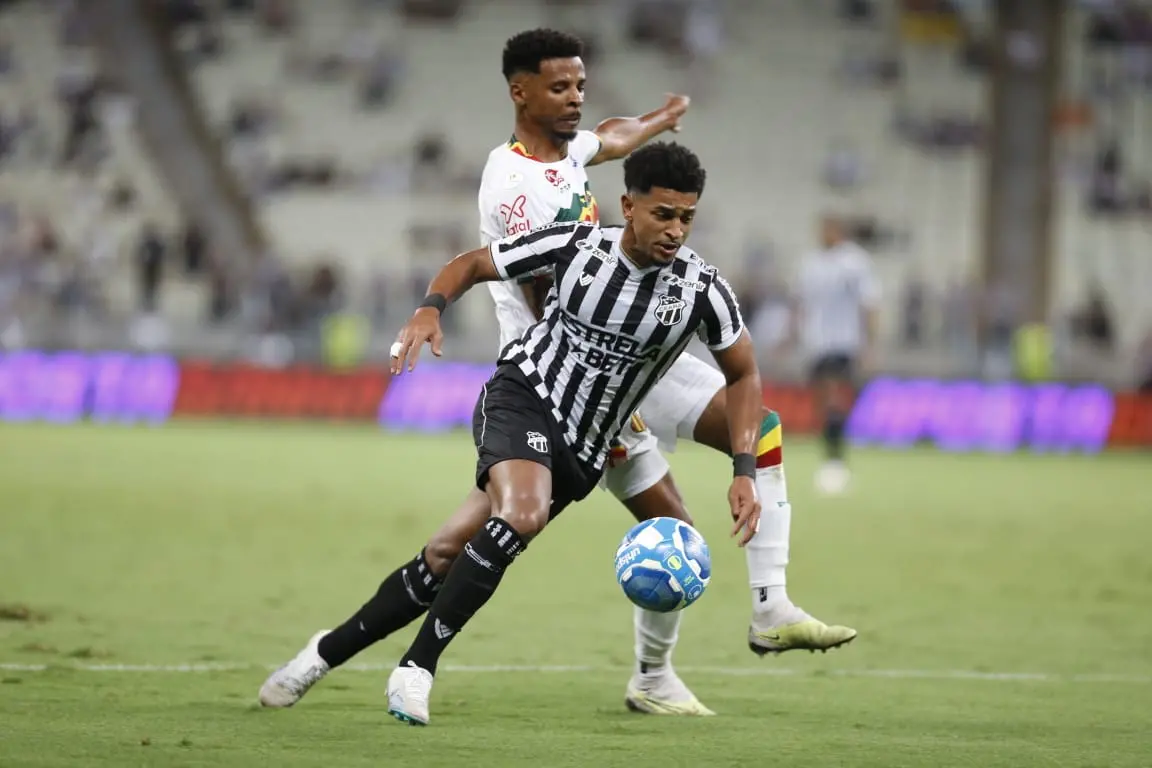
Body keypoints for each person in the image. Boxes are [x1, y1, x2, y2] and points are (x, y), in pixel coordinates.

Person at [259, 29, 852, 718]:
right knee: (508, 528)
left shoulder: (570, 159)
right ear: (521, 93)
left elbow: (611, 138)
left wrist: (658, 121)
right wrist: (441, 312)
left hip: (619, 369)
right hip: (559, 371)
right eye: (561, 87)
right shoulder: (517, 188)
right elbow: (550, 298)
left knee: (696, 501)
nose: (576, 99)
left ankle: (713, 639)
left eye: (580, 86)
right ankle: (397, 663)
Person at [381, 142, 761, 726]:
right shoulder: (577, 246)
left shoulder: (703, 290)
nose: (675, 230)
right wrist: (431, 307)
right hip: (527, 396)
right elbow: (474, 263)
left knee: (465, 544)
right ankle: (415, 668)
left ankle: (653, 676)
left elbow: (744, 374)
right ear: (628, 206)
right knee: (520, 516)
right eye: (663, 214)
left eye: (686, 217)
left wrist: (743, 471)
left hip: (593, 442)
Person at [788, 213, 880, 494]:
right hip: (816, 343)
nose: (822, 234)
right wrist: (793, 336)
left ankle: (835, 460)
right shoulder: (810, 263)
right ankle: (832, 457)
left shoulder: (855, 263)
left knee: (835, 399)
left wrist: (870, 344)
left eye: (827, 229)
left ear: (838, 230)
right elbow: (800, 304)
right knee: (823, 403)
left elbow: (869, 304)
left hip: (844, 342)